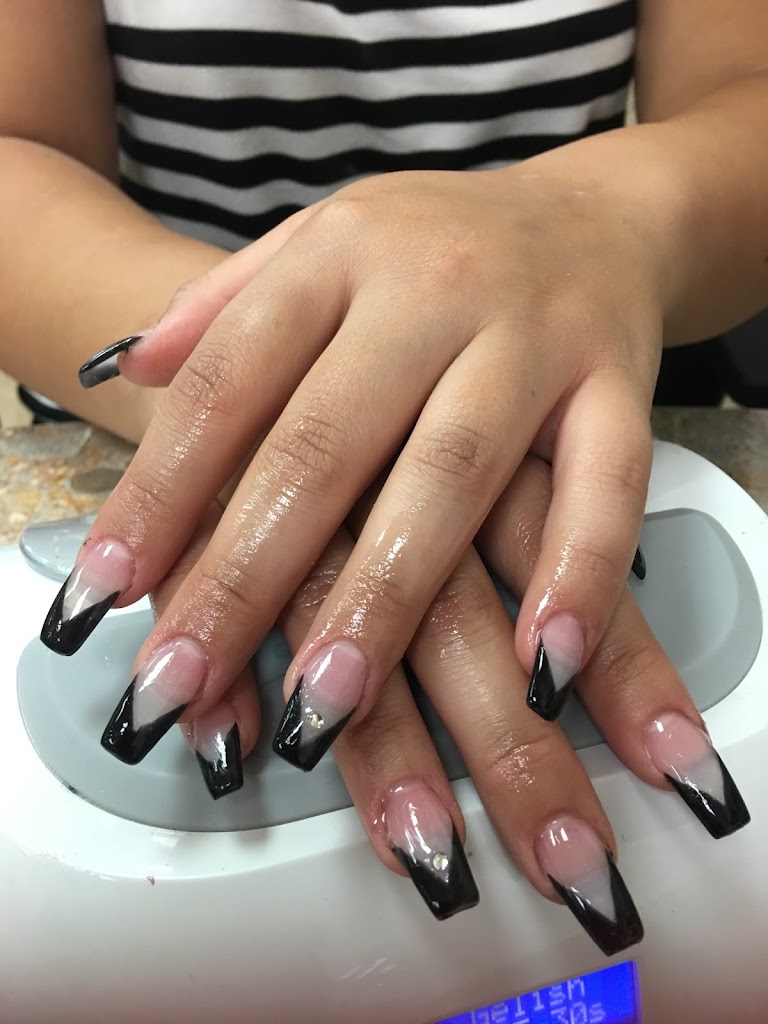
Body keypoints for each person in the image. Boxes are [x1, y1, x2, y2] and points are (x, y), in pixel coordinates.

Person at [2, 0, 764, 952]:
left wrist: (603, 214)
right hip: (177, 382)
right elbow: (18, 150)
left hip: (555, 392)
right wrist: (255, 383)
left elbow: (747, 99)